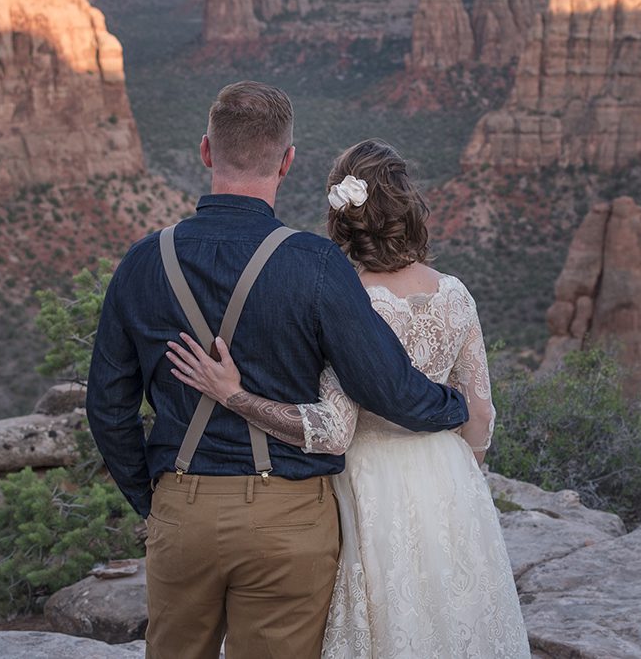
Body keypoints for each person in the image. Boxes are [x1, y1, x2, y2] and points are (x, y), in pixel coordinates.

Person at [86, 83, 469, 659]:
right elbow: (387, 389)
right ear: (286, 161)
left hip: (181, 507)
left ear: (206, 152)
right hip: (287, 517)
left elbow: (108, 408)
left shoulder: (143, 261)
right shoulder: (314, 264)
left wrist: (156, 498)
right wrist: (457, 405)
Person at [165, 139, 529, 658]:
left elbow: (334, 429)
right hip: (449, 478)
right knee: (456, 620)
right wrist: (464, 474)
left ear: (343, 216)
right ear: (409, 209)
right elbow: (481, 409)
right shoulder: (455, 293)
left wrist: (236, 396)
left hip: (366, 482)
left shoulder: (344, 298)